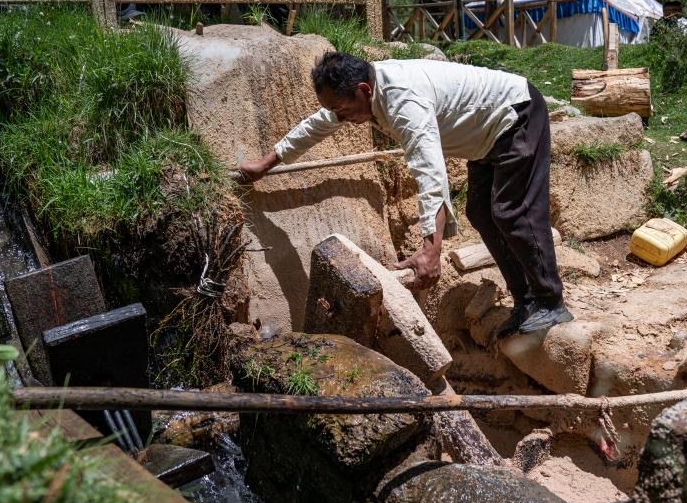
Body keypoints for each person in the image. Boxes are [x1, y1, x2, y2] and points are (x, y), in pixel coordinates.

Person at [239, 53, 572, 337]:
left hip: (516, 115)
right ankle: (526, 301)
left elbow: (431, 174)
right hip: (486, 136)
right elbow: (317, 124)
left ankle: (550, 302)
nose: (342, 120)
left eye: (342, 110)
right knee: (481, 213)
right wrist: (266, 164)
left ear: (363, 90)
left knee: (513, 211)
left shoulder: (404, 101)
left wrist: (431, 252)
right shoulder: (363, 92)